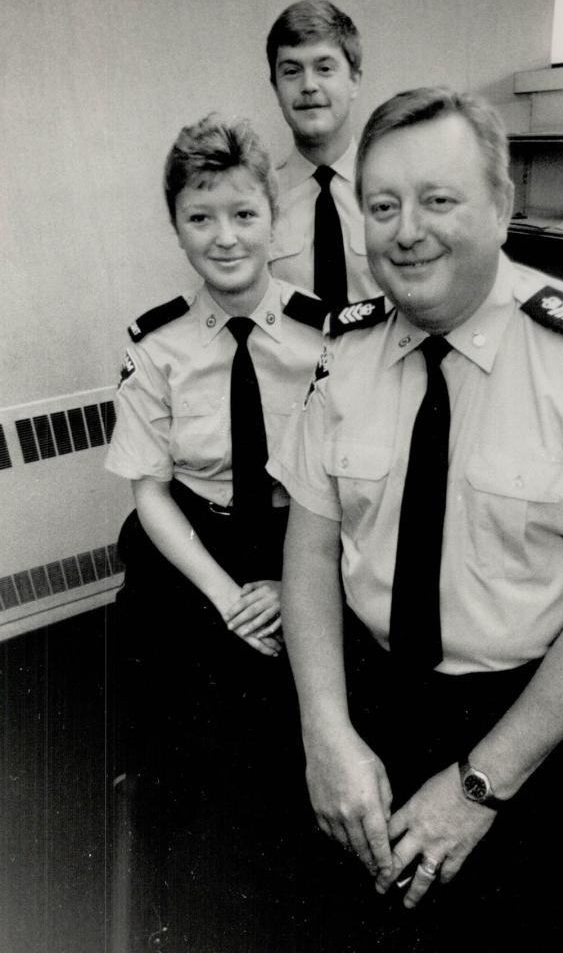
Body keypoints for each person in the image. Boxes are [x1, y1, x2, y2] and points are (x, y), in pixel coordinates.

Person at [268, 87, 563, 950]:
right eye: (383, 205)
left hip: (537, 725)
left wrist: (476, 788)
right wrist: (324, 732)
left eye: (439, 200)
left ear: (500, 206)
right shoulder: (345, 350)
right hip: (376, 701)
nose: (407, 230)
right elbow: (309, 553)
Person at [106, 113, 325, 950]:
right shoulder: (154, 344)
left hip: (298, 538)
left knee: (293, 740)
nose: (224, 238)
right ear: (177, 229)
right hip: (194, 551)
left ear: (274, 218)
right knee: (180, 745)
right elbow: (151, 492)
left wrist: (294, 585)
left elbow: (345, 490)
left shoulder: (328, 336)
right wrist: (228, 595)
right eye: (201, 218)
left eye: (243, 214)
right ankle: (179, 903)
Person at [266, 0, 382, 309]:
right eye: (291, 71)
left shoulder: (394, 189)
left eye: (325, 68)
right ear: (276, 89)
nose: (308, 85)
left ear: (354, 80)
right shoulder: (258, 200)